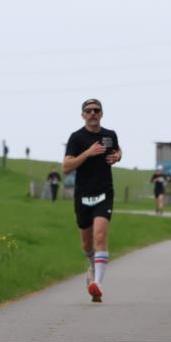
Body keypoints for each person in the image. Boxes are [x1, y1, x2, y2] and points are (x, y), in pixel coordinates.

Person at [62, 99, 122, 303]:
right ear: (83, 115)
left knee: (100, 235)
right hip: (83, 194)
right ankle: (92, 267)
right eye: (88, 111)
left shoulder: (109, 135)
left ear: (102, 113)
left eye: (96, 110)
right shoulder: (76, 138)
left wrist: (118, 156)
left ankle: (97, 283)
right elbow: (66, 166)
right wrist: (87, 153)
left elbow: (116, 151)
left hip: (105, 192)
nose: (93, 113)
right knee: (87, 243)